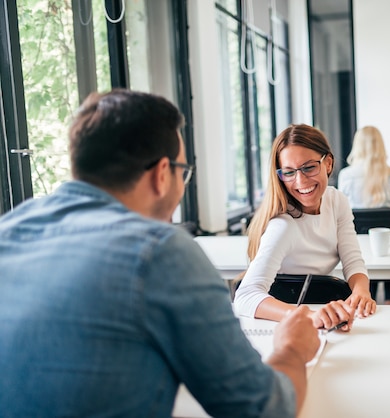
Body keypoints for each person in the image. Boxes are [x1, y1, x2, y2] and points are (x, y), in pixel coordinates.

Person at [0, 89, 321, 418]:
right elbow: (264, 408)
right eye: (183, 171)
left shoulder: (7, 232)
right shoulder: (160, 252)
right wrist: (292, 349)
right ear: (161, 174)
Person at [234, 124, 377, 330]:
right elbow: (245, 297)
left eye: (309, 167)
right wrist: (309, 316)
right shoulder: (283, 226)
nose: (300, 181)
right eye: (289, 172)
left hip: (319, 318)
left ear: (328, 163)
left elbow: (353, 261)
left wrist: (361, 292)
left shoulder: (337, 201)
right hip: (280, 324)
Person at [337, 125, 390, 305]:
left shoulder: (345, 176)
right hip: (389, 242)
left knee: (366, 254)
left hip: (356, 240)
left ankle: (369, 296)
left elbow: (340, 211)